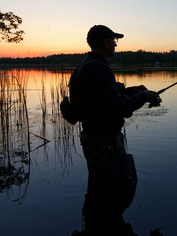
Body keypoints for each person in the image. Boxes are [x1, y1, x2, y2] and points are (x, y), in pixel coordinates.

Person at [69, 24, 161, 235]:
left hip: (92, 138)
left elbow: (107, 97)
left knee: (98, 189)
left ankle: (94, 224)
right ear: (104, 43)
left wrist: (135, 90)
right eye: (114, 40)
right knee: (114, 190)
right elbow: (119, 106)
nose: (116, 45)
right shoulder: (99, 68)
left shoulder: (85, 65)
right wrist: (144, 96)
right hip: (105, 142)